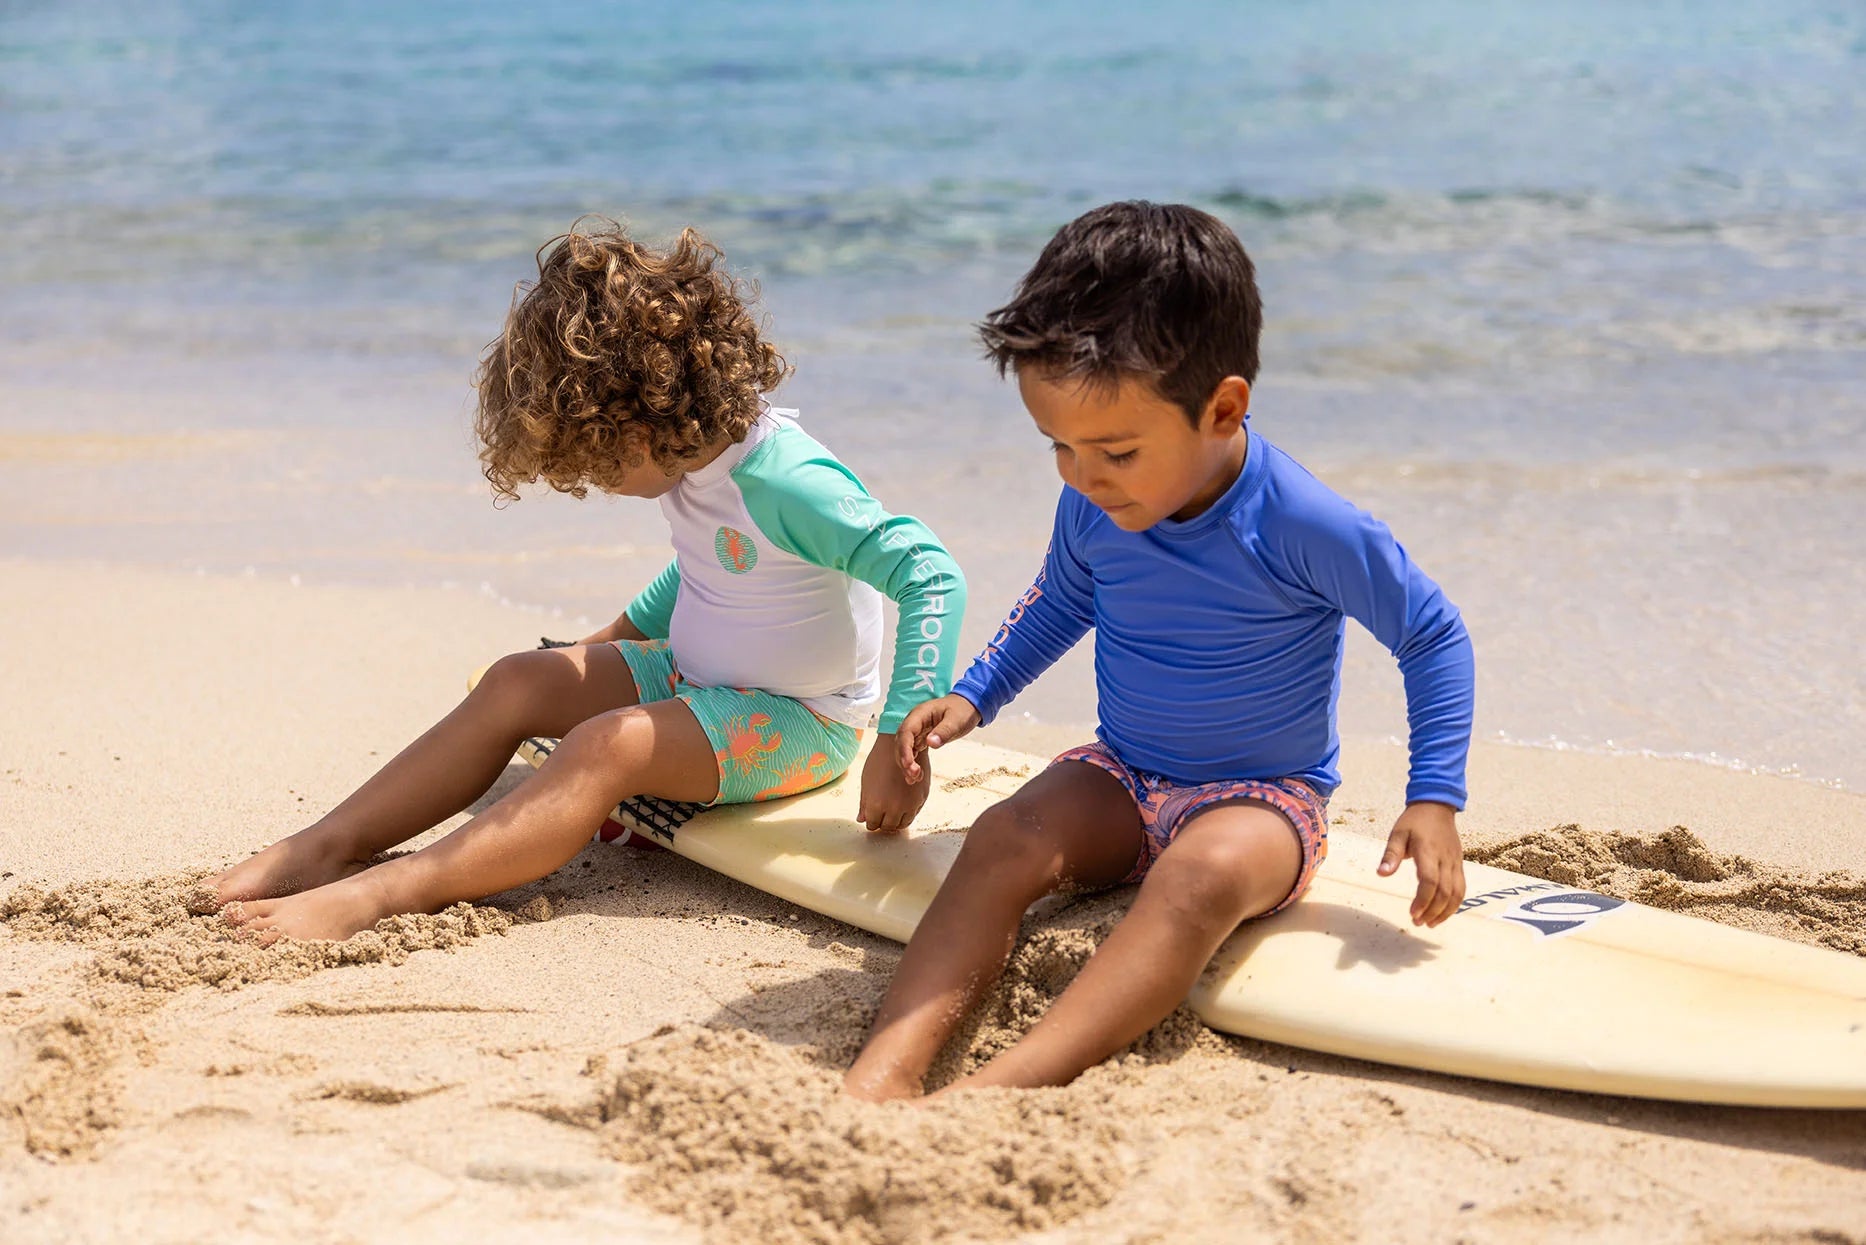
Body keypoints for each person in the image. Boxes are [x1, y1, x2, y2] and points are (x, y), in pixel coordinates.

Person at [842, 201, 1473, 1101]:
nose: (1083, 476)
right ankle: (881, 1075)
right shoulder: (1095, 502)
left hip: (1262, 802)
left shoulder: (1302, 522)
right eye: (1058, 446)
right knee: (1000, 839)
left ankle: (1004, 1088)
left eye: (1116, 451)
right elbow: (1064, 599)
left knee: (1198, 876)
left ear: (1221, 408)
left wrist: (1434, 796)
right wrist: (975, 694)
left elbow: (1432, 633)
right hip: (1124, 772)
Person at [204, 220, 966, 943]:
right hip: (697, 678)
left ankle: (388, 889)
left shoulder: (789, 482)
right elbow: (714, 564)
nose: (592, 483)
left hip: (800, 721)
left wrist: (902, 740)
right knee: (517, 681)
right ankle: (330, 842)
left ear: (639, 426)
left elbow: (927, 571)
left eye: (595, 466)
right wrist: (606, 646)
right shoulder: (696, 461)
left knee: (607, 746)